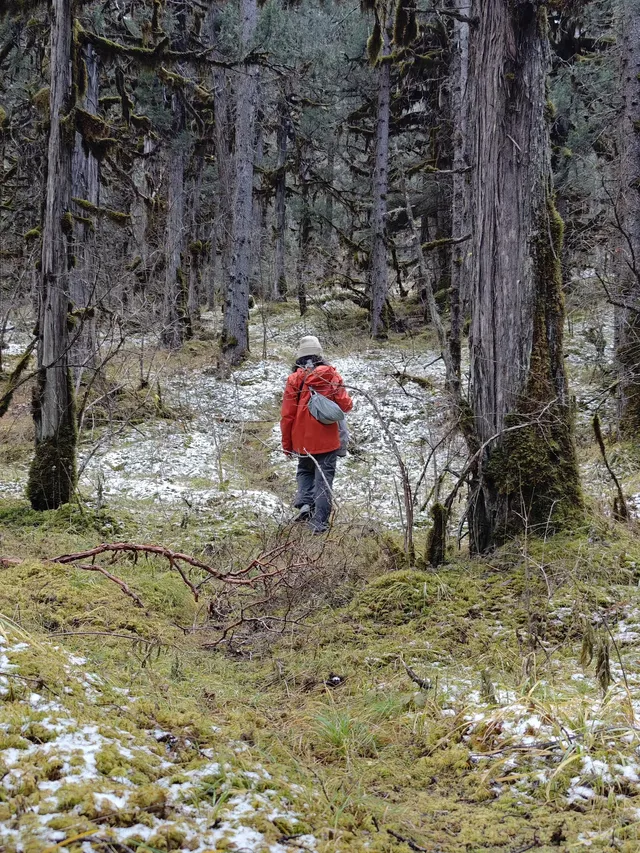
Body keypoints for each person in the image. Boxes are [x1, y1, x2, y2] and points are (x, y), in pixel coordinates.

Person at [280, 335, 353, 533]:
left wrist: (287, 444)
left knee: (304, 470)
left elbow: (287, 415)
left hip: (302, 440)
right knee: (324, 478)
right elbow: (346, 405)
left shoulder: (294, 379)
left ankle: (305, 504)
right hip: (327, 439)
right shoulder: (331, 375)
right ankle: (319, 523)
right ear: (320, 354)